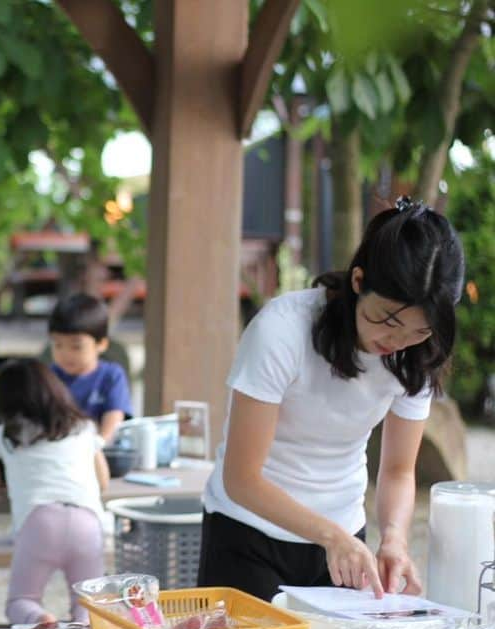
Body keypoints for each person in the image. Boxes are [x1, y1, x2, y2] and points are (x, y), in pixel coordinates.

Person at [199, 198, 465, 602]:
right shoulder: (282, 330)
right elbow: (242, 478)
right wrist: (330, 535)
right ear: (358, 281)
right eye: (387, 319)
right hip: (248, 531)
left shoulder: (416, 357)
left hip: (342, 540)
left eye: (418, 331)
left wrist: (393, 538)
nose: (395, 341)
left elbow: (396, 471)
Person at [0, 359, 110, 624]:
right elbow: (104, 480)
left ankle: (40, 619)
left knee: (22, 601)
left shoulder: (9, 435)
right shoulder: (83, 428)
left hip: (40, 522)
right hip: (87, 522)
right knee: (89, 607)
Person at [47, 293, 133, 444]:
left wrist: (99, 444)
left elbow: (114, 417)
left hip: (99, 450)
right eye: (58, 345)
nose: (66, 354)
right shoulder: (48, 376)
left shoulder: (111, 376)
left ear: (101, 344)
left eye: (76, 347)